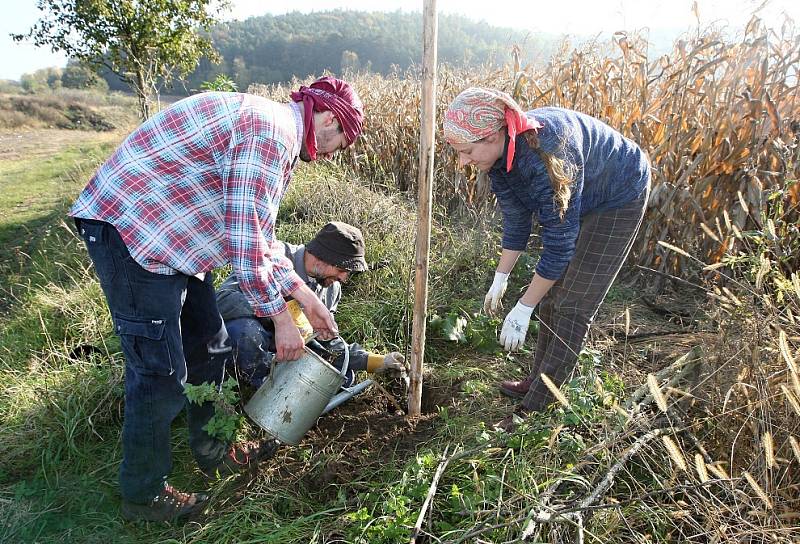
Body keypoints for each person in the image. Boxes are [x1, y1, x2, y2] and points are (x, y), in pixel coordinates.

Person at [69, 77, 364, 522]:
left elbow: (261, 238)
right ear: (326, 119)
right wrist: (281, 319)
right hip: (133, 233)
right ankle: (143, 495)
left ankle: (212, 451)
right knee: (160, 374)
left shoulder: (273, 133)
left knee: (212, 347)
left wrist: (304, 295)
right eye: (341, 140)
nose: (335, 150)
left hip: (175, 243)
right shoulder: (270, 135)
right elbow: (245, 248)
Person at [443, 87, 651, 430]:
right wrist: (502, 276)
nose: (463, 161)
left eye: (466, 151)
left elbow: (558, 243)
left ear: (494, 135)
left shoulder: (548, 154)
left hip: (618, 193)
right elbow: (517, 218)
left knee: (573, 302)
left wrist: (523, 308)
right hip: (584, 192)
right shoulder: (499, 156)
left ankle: (537, 409)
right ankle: (537, 381)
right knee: (552, 294)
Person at [217, 221, 406, 390]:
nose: (343, 278)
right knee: (245, 331)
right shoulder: (274, 256)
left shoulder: (331, 289)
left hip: (289, 353)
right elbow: (224, 300)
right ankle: (255, 391)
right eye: (341, 269)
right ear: (320, 258)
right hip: (255, 345)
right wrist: (282, 315)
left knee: (343, 376)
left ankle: (288, 392)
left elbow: (328, 342)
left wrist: (375, 362)